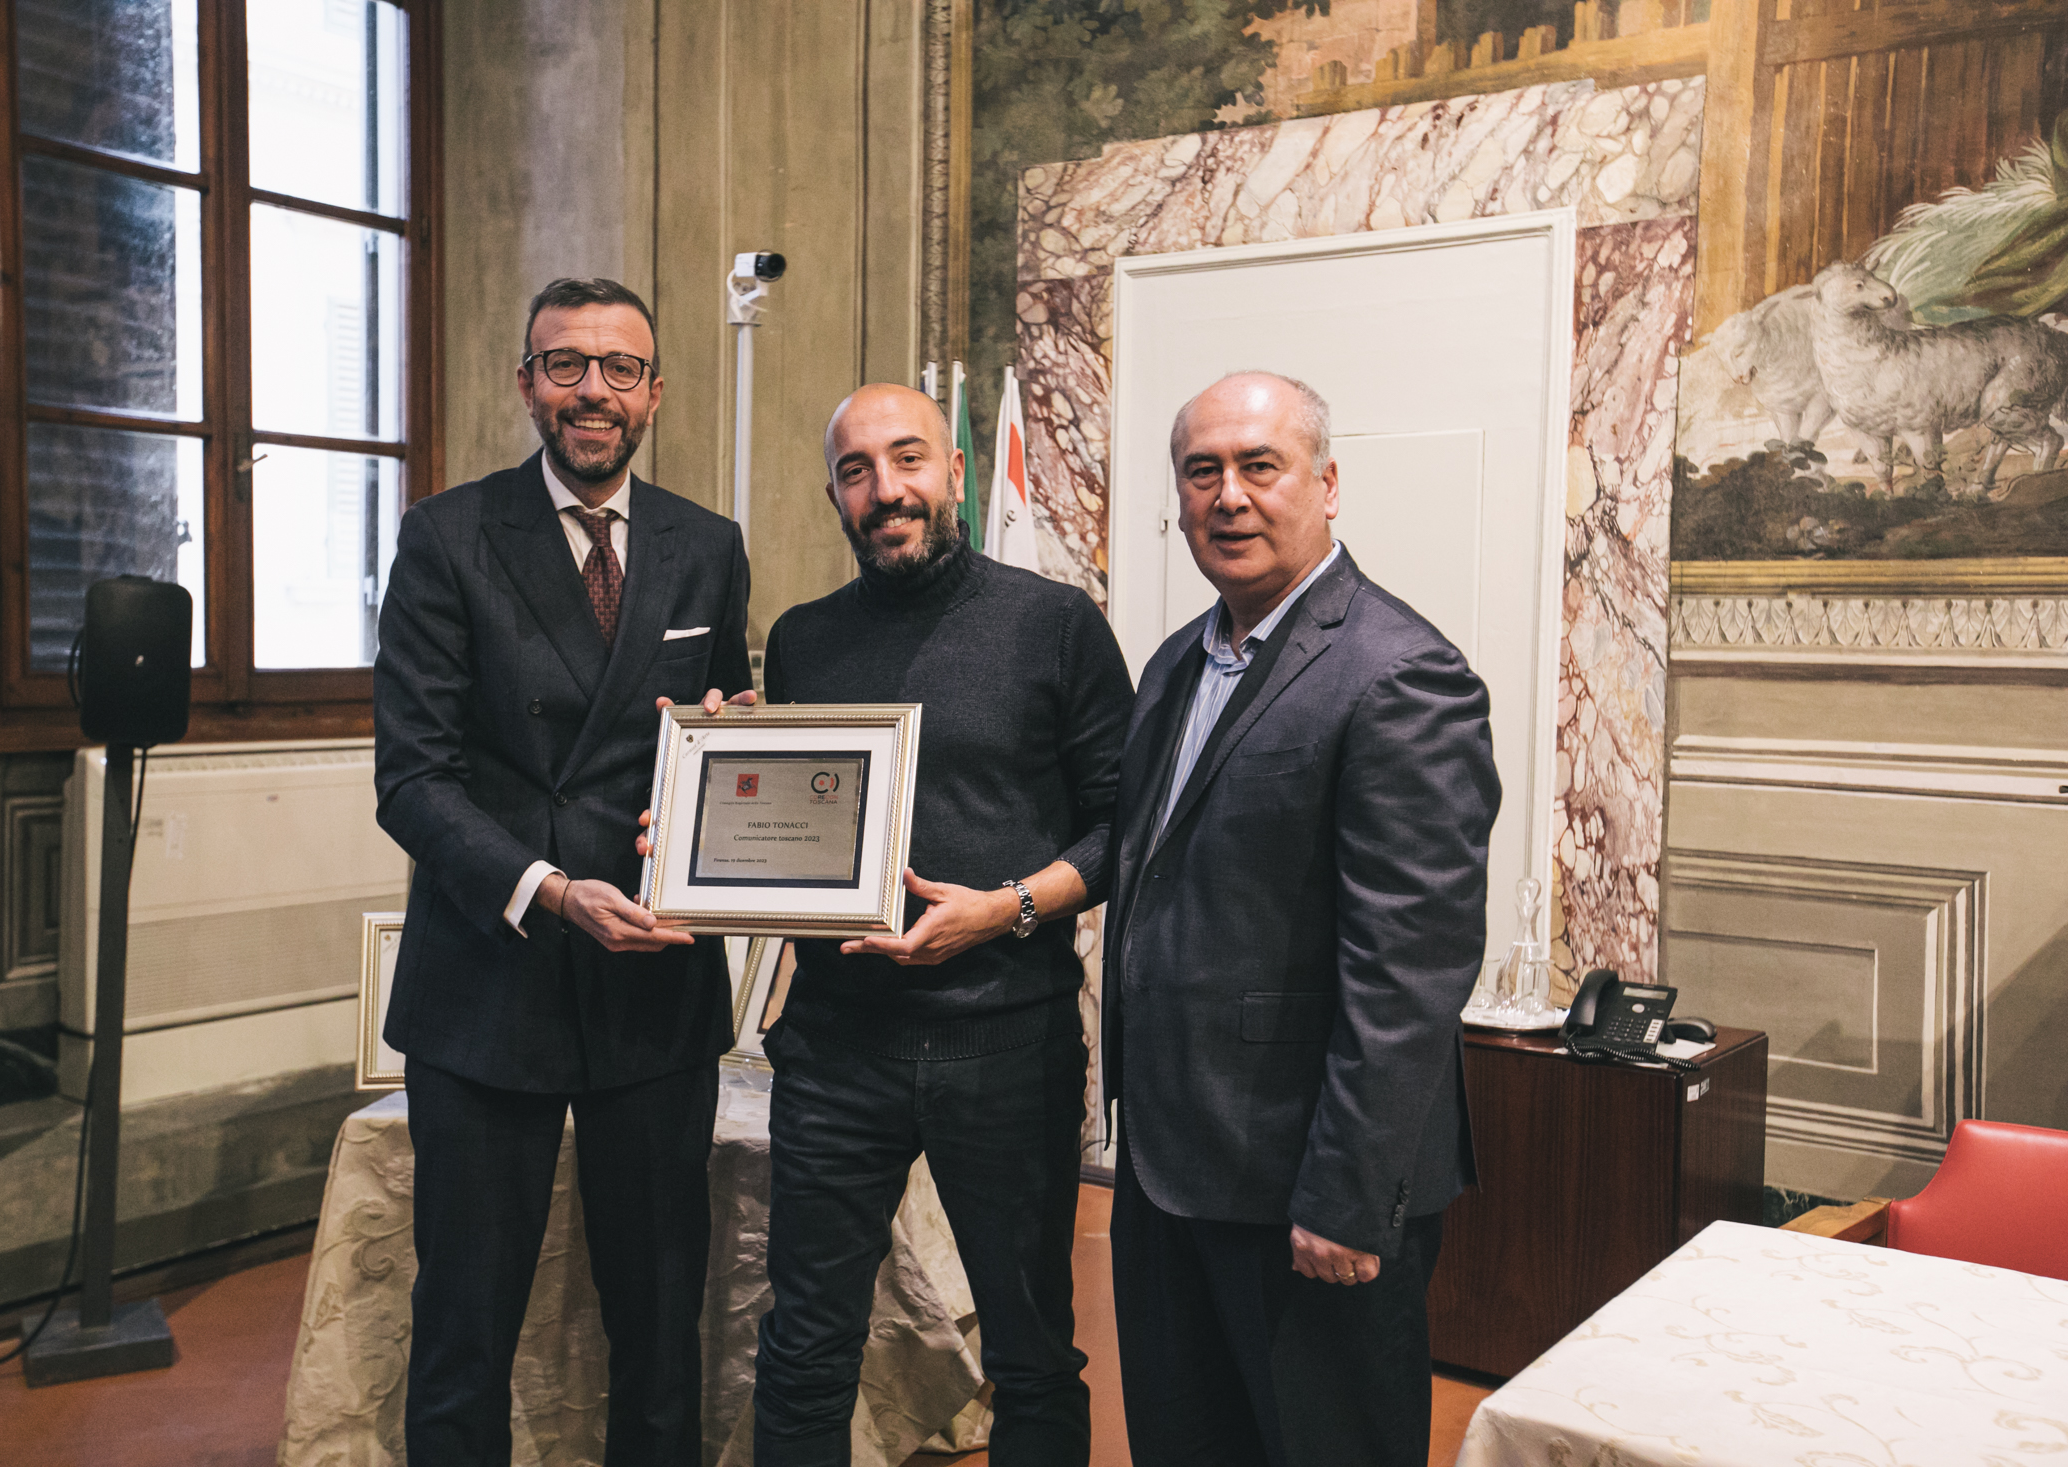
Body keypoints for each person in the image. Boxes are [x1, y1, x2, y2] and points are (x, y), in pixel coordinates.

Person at [373, 277, 754, 1467]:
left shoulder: (707, 544)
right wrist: (546, 889)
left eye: (619, 368)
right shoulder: (447, 535)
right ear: (527, 383)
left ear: (655, 392)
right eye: (566, 365)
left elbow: (719, 736)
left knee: (660, 1313)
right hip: (492, 977)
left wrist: (744, 751)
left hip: (653, 977)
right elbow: (412, 780)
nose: (594, 390)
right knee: (466, 1323)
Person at [730, 383, 1132, 1466]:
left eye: (907, 459)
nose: (886, 489)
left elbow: (1124, 827)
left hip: (1007, 1040)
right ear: (835, 496)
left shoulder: (1054, 624)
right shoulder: (804, 639)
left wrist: (1005, 909)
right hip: (835, 1047)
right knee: (804, 1348)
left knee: (1031, 1353)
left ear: (955, 471)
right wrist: (716, 786)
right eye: (856, 471)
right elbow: (798, 822)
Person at [1102, 371, 1499, 1467]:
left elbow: (1408, 968)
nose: (1227, 496)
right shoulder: (1175, 665)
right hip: (1171, 1167)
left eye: (1258, 466)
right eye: (1201, 471)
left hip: (1305, 1187)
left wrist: (1347, 1195)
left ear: (1325, 485)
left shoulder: (1400, 673)